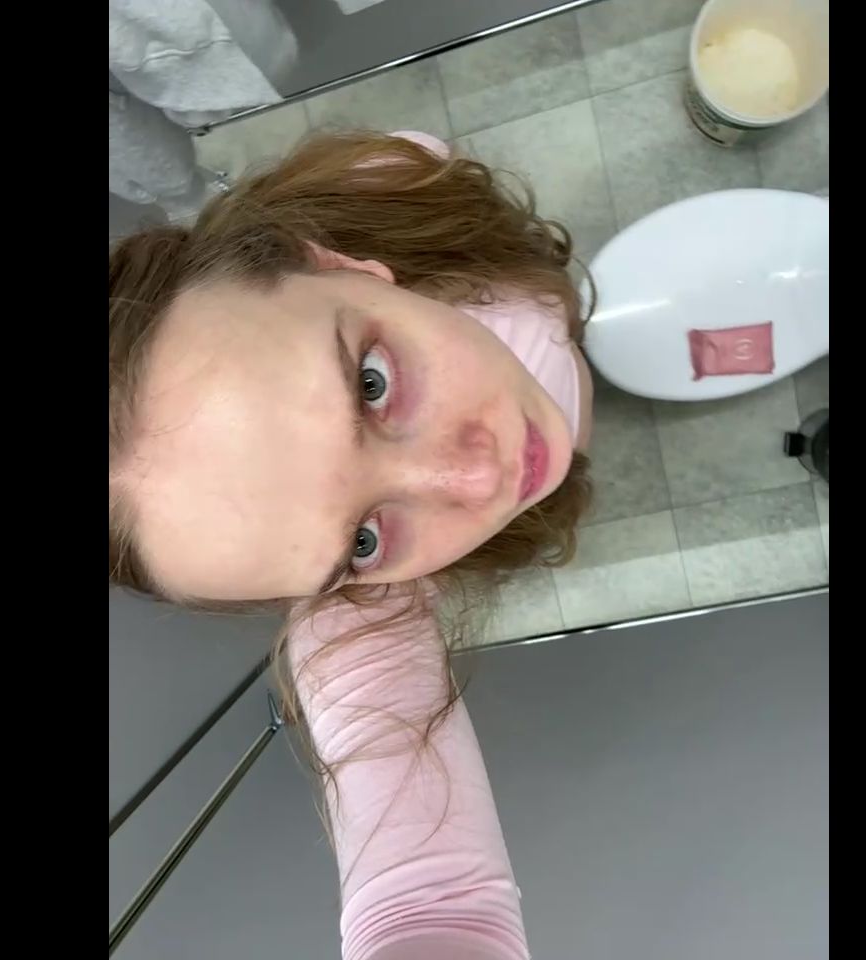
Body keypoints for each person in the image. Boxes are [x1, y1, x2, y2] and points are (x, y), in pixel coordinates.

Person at [109, 130, 595, 958]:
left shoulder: (389, 174)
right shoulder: (359, 605)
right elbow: (425, 907)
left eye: (374, 383)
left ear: (340, 266)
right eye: (364, 541)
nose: (477, 479)